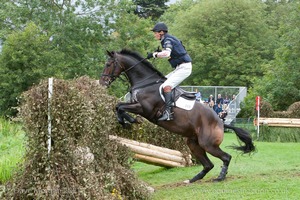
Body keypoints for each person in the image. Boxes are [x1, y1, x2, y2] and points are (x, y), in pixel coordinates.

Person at [147, 22, 192, 121]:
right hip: (179, 67)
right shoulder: (166, 39)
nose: (155, 34)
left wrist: (155, 54)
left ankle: (168, 113)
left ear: (162, 32)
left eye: (156, 32)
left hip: (184, 68)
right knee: (161, 82)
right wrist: (158, 53)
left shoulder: (167, 39)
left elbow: (167, 53)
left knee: (166, 86)